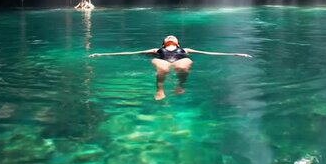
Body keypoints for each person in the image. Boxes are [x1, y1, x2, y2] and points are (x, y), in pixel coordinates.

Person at [89, 35, 252, 100]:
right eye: (168, 37)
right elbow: (130, 52)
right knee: (163, 67)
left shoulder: (186, 50)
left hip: (180, 61)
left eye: (173, 37)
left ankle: (179, 86)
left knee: (184, 65)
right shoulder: (156, 50)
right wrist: (102, 54)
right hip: (163, 61)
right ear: (164, 42)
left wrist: (236, 54)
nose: (171, 37)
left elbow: (209, 53)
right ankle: (160, 89)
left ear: (178, 42)